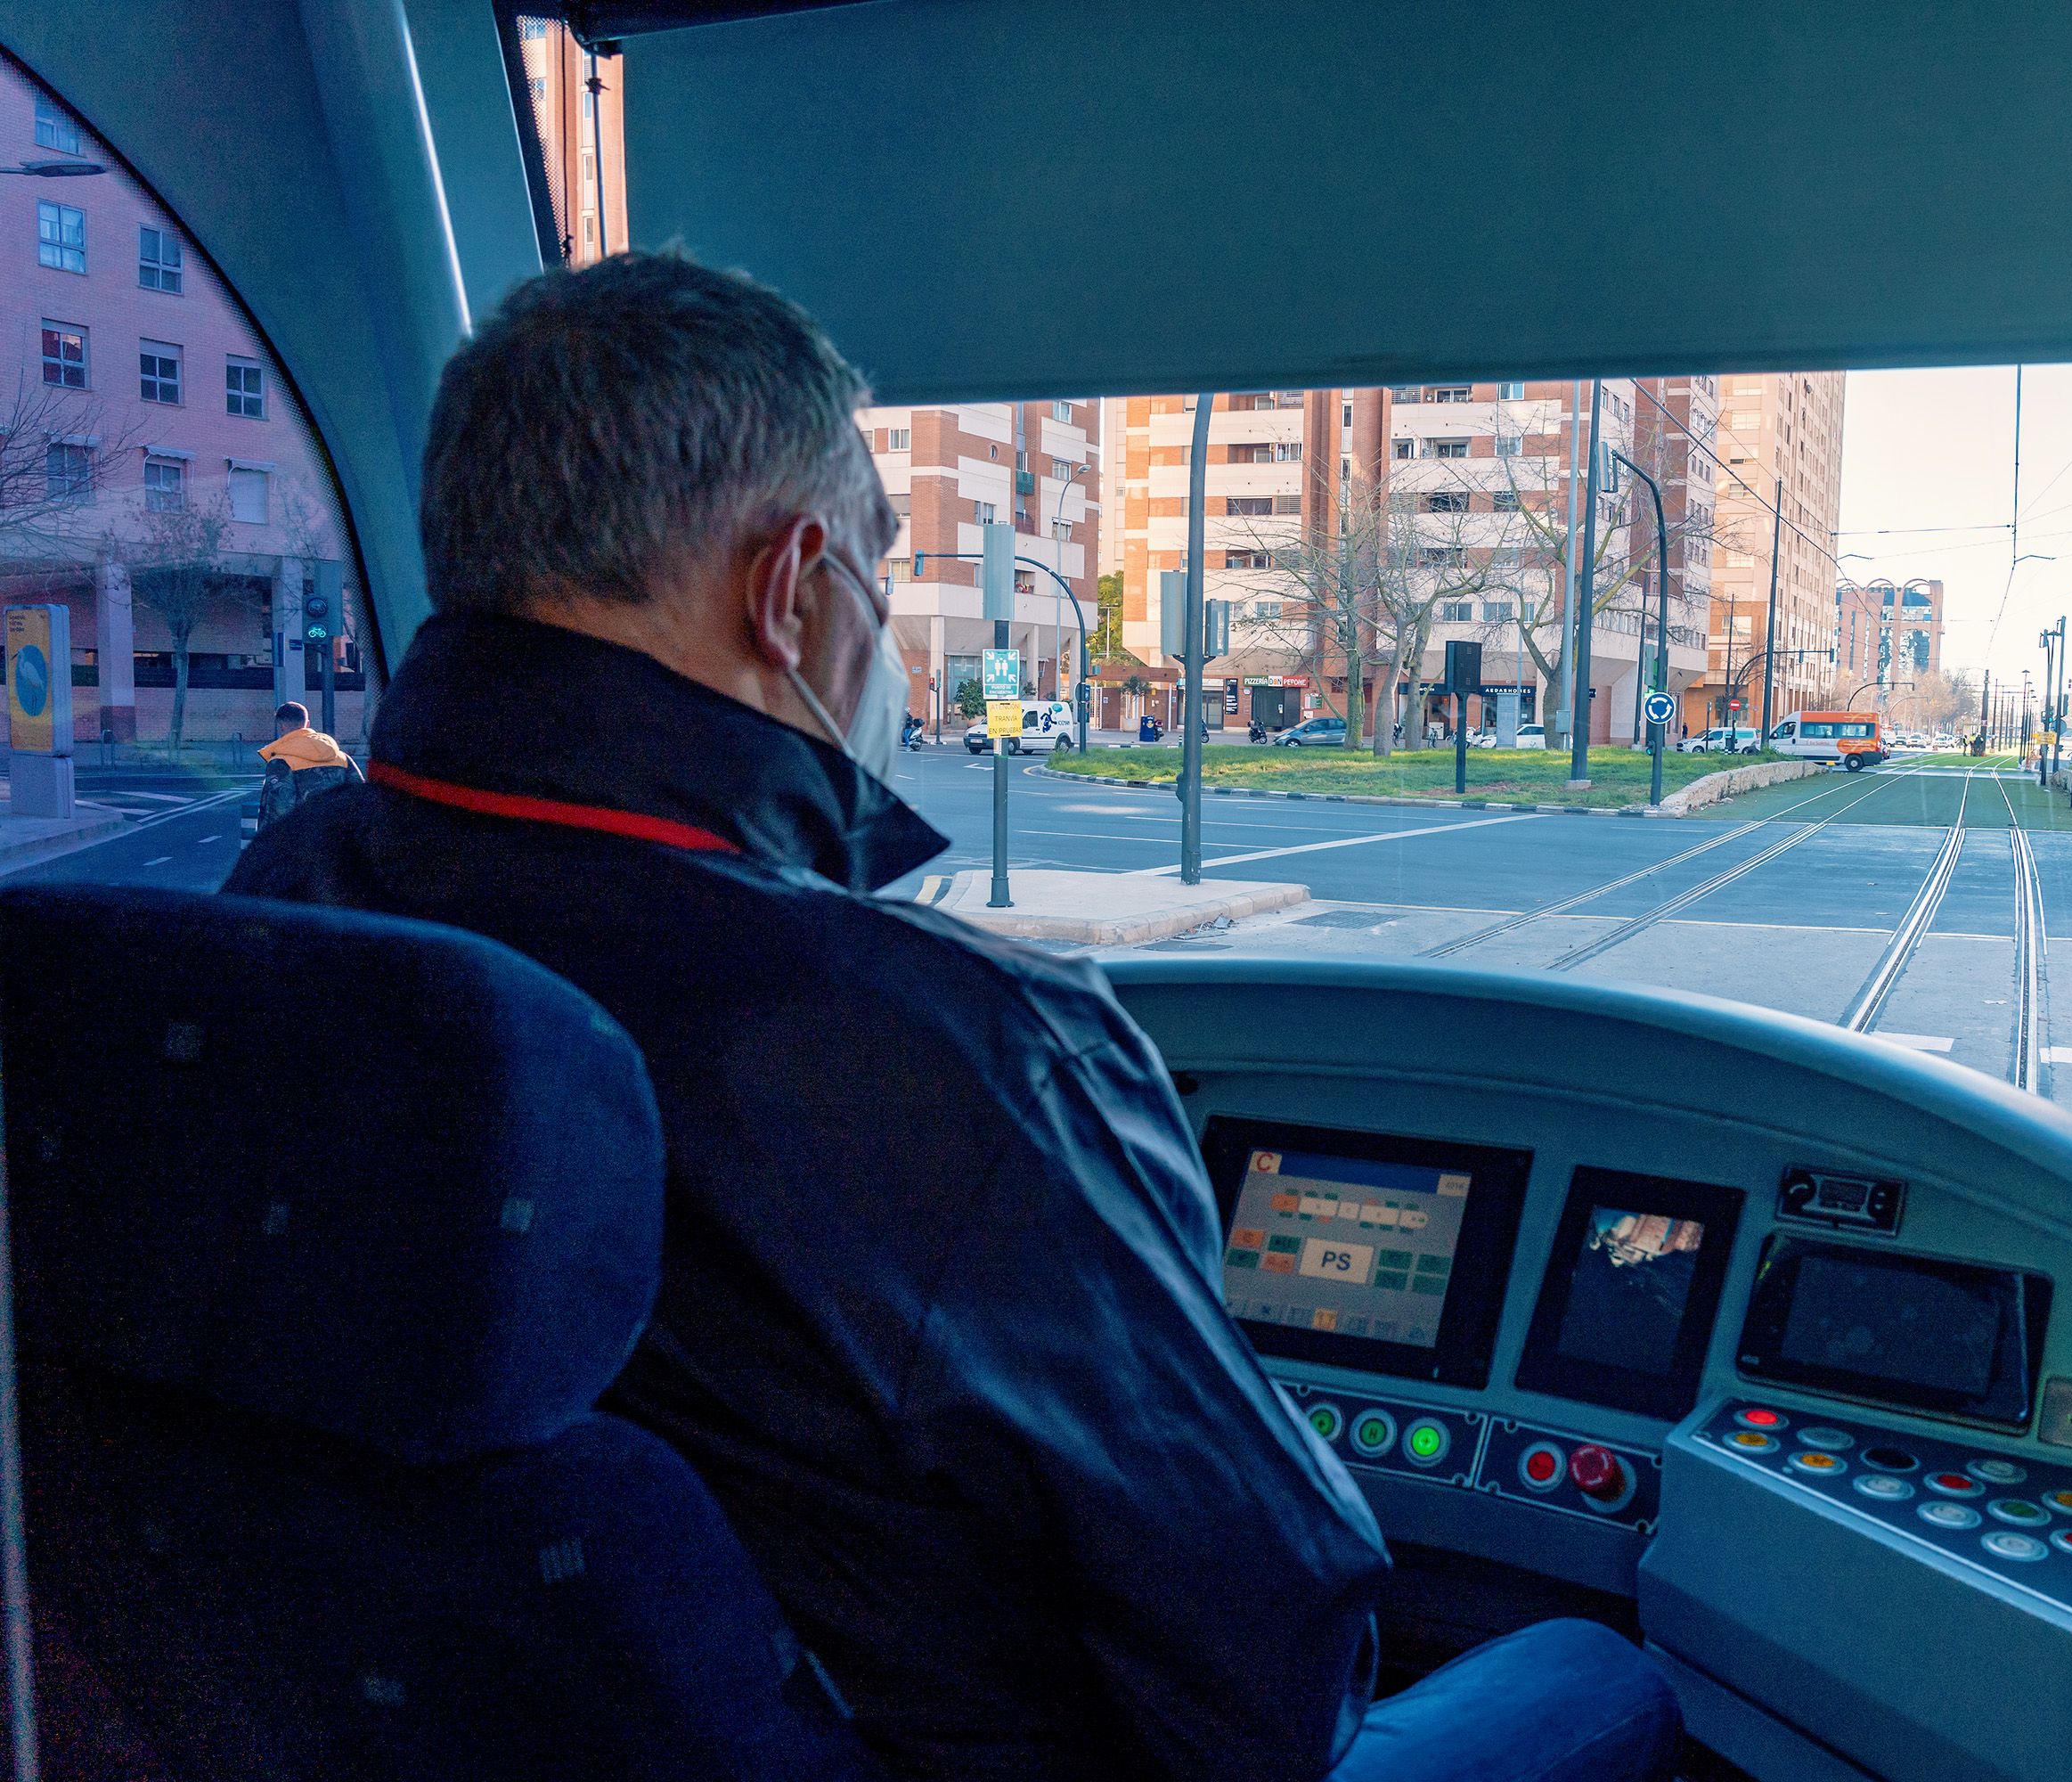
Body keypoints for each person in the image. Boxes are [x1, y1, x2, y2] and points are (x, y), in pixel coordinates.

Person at [228, 253, 1677, 1782]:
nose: (900, 649)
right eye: (881, 564)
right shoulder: (965, 1054)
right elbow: (1270, 1691)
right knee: (1596, 1676)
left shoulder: (273, 915)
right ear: (790, 592)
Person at [252, 699, 363, 831]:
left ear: (281, 726)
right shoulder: (342, 758)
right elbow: (360, 797)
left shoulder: (281, 762)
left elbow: (279, 809)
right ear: (308, 724)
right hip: (340, 838)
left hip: (303, 841)